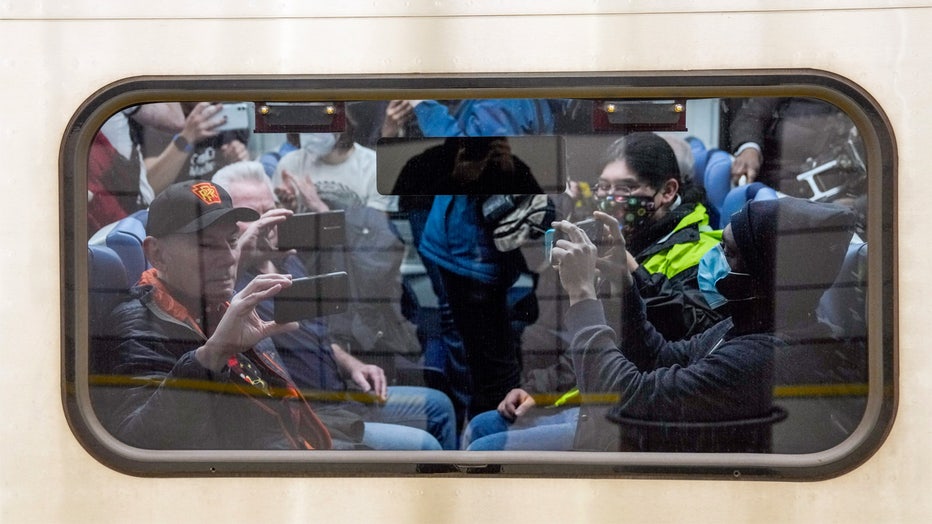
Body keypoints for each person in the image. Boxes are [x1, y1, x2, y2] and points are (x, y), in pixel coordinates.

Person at [465, 197, 858, 452]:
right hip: (641, 437)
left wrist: (583, 295)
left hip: (644, 453)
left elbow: (625, 398)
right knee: (483, 430)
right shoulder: (751, 324)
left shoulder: (766, 357)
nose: (717, 255)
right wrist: (622, 282)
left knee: (483, 450)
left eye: (730, 251)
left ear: (766, 275)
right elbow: (659, 355)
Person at [212, 162, 456, 450]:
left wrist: (351, 364)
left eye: (270, 209)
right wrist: (239, 254)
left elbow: (313, 333)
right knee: (424, 445)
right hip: (306, 414)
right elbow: (215, 314)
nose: (268, 221)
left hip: (340, 394)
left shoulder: (287, 260)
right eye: (253, 215)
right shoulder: (226, 282)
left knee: (439, 407)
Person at [98, 180, 331, 450]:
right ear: (158, 255)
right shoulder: (136, 325)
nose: (231, 258)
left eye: (232, 241)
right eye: (207, 246)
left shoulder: (220, 304)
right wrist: (211, 356)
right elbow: (137, 444)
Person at [592, 132, 724, 341]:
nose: (611, 199)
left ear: (668, 191)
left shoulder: (705, 252)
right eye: (604, 187)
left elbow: (702, 334)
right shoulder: (622, 235)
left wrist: (634, 273)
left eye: (625, 188)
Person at [141, 102, 251, 194]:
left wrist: (236, 159)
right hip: (174, 206)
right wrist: (187, 138)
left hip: (217, 204)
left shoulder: (225, 117)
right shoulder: (160, 121)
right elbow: (150, 185)